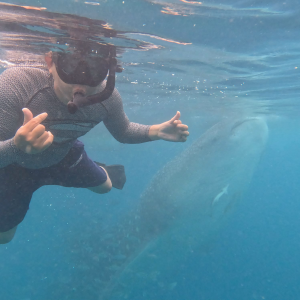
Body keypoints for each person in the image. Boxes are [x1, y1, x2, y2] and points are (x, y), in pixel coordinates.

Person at [0, 45, 189, 244]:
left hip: (63, 154)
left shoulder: (108, 98)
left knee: (106, 187)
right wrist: (16, 146)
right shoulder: (16, 84)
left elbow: (123, 131)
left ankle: (98, 168)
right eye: (70, 67)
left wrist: (156, 131)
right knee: (4, 237)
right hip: (13, 167)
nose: (81, 86)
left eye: (95, 71)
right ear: (50, 63)